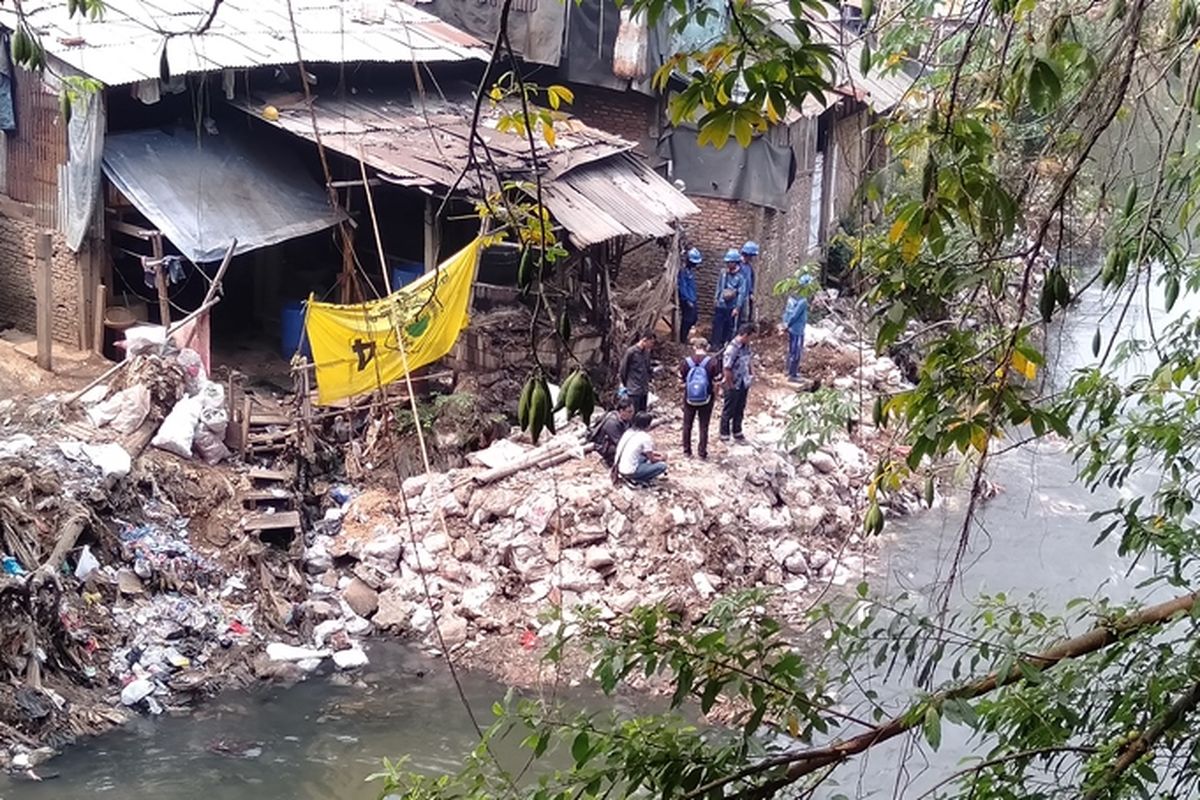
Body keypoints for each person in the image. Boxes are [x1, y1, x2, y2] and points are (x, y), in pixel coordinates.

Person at [679, 337, 722, 459]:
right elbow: (717, 381)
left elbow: (680, 381)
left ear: (694, 347)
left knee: (687, 424)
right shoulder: (712, 362)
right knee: (704, 425)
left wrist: (688, 389)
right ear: (706, 347)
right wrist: (716, 395)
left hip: (689, 398)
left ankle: (687, 451)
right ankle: (702, 452)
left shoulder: (686, 362)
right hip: (706, 398)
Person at [720, 323, 755, 442]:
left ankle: (737, 431)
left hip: (743, 382)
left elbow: (748, 360)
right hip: (733, 383)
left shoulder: (746, 347)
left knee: (740, 408)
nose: (751, 340)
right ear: (745, 335)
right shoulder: (733, 348)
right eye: (750, 337)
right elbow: (727, 368)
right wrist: (730, 385)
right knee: (729, 409)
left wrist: (751, 374)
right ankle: (724, 433)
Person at [614, 411, 667, 486]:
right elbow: (652, 459)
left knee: (643, 458)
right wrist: (662, 458)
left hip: (619, 468)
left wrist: (657, 453)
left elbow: (642, 452)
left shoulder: (628, 432)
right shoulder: (645, 437)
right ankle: (638, 479)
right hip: (630, 471)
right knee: (662, 466)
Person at [711, 250, 747, 349]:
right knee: (717, 324)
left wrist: (737, 308)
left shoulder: (741, 277)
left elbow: (741, 293)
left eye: (730, 262)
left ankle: (724, 344)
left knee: (728, 327)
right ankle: (715, 344)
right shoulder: (723, 273)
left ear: (736, 263)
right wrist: (716, 298)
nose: (728, 264)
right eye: (727, 262)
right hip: (721, 304)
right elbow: (719, 286)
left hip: (731, 306)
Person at [780, 275, 811, 384]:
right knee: (796, 351)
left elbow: (787, 312)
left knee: (791, 349)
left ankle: (788, 370)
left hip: (792, 328)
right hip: (797, 329)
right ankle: (792, 374)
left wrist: (785, 324)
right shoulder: (803, 301)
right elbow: (795, 314)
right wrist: (788, 324)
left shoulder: (792, 298)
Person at [590, 397, 634, 467]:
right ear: (621, 411)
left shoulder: (625, 419)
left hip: (615, 440)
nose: (632, 414)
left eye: (632, 411)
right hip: (603, 446)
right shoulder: (612, 422)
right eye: (629, 412)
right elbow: (619, 442)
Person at [619, 332, 655, 413]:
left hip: (644, 389)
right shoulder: (631, 352)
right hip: (633, 390)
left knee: (642, 414)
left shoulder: (647, 353)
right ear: (645, 340)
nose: (652, 345)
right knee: (633, 414)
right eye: (651, 342)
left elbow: (648, 369)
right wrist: (627, 385)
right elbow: (623, 370)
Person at [678, 248, 701, 344]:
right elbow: (682, 287)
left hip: (692, 298)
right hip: (687, 300)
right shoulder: (683, 272)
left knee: (694, 318)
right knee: (687, 320)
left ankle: (685, 336)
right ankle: (682, 339)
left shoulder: (689, 271)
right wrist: (687, 300)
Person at [739, 241, 759, 322]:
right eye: (751, 256)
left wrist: (751, 293)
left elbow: (750, 281)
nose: (751, 258)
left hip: (746, 296)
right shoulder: (738, 265)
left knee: (745, 318)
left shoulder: (749, 268)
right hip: (738, 296)